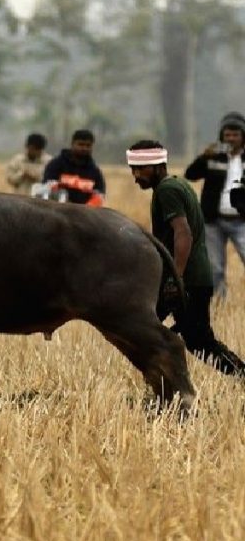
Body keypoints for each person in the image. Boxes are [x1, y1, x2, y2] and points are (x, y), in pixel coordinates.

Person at [128, 139, 244, 375]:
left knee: (197, 341)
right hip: (192, 277)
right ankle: (164, 383)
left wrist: (175, 279)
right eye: (133, 169)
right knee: (156, 332)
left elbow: (184, 234)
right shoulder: (177, 184)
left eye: (141, 168)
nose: (136, 175)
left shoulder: (167, 191)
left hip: (187, 279)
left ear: (159, 166)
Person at [184, 111, 245, 299]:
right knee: (215, 268)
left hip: (242, 220)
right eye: (227, 135)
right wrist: (203, 156)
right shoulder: (213, 157)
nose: (231, 139)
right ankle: (220, 305)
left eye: (236, 135)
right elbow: (190, 174)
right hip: (213, 221)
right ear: (222, 136)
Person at [42, 129, 105, 206]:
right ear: (72, 144)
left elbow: (99, 195)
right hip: (58, 211)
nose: (84, 148)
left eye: (88, 145)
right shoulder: (56, 165)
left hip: (85, 214)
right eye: (81, 144)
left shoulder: (95, 171)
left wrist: (86, 209)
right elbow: (47, 187)